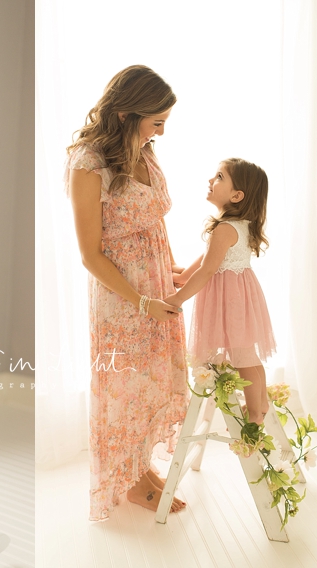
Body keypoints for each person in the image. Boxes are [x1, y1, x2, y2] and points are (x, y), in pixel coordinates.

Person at [66, 65, 189, 521]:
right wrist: (140, 300)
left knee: (150, 377)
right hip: (122, 296)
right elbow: (90, 253)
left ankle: (140, 469)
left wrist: (168, 269)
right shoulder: (88, 164)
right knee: (124, 384)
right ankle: (133, 482)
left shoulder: (145, 149)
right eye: (156, 121)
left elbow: (151, 220)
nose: (161, 132)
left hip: (155, 285)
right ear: (124, 113)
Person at [166, 158, 276, 424]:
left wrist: (178, 299)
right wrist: (178, 276)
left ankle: (254, 414)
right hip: (241, 296)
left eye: (219, 177)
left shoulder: (225, 229)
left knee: (242, 358)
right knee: (247, 355)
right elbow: (201, 264)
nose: (210, 180)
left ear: (237, 195)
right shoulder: (238, 225)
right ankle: (260, 404)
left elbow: (206, 270)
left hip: (232, 301)